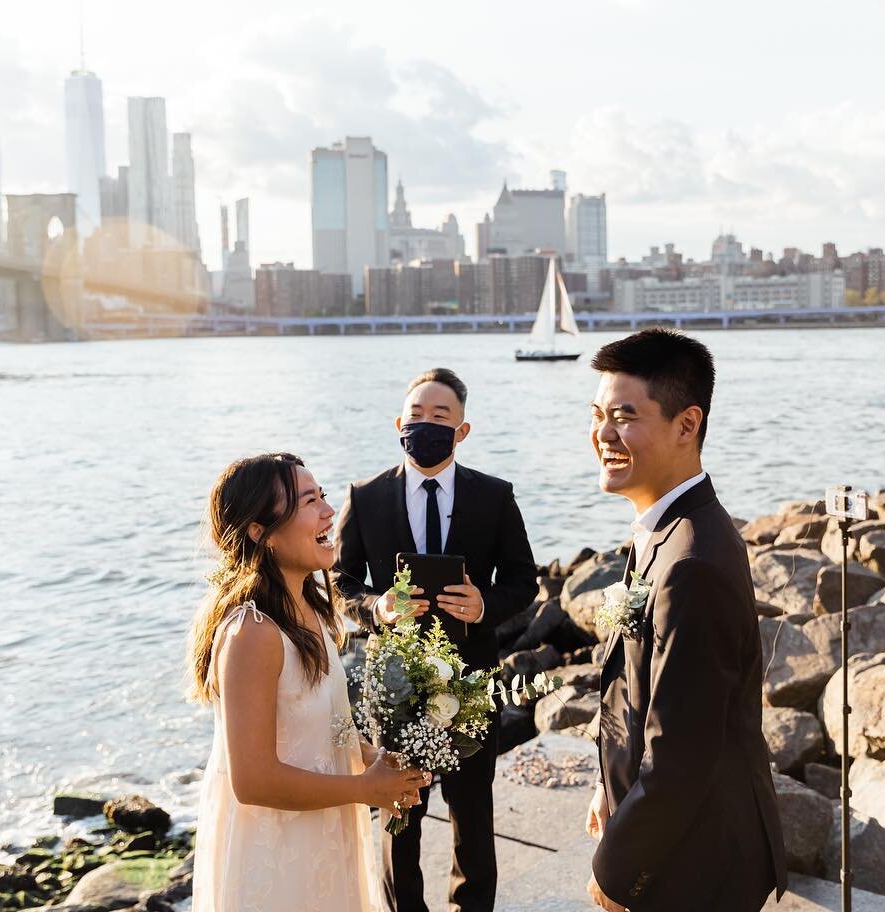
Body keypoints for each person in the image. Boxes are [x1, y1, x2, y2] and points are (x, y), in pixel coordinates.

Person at [584, 330, 788, 912]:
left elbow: (681, 749)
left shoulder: (692, 561)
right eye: (598, 414)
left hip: (695, 863)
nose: (603, 434)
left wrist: (616, 869)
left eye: (625, 416)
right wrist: (610, 784)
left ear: (685, 425)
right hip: (676, 836)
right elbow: (640, 689)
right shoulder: (666, 528)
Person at [188, 452, 430, 912]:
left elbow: (321, 724)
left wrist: (376, 761)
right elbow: (253, 780)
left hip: (324, 829)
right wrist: (365, 790)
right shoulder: (252, 632)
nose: (328, 511)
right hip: (277, 850)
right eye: (307, 502)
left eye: (322, 495)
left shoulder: (313, 610)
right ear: (260, 532)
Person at [334, 368, 538, 912]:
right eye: (416, 416)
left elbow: (523, 580)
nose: (426, 425)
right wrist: (375, 607)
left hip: (471, 680)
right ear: (399, 425)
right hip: (395, 683)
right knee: (399, 814)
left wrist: (484, 605)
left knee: (473, 813)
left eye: (440, 417)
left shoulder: (495, 497)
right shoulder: (366, 495)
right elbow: (340, 582)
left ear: (462, 430)